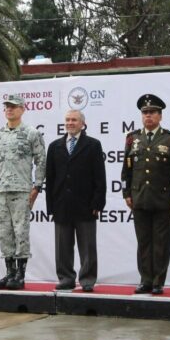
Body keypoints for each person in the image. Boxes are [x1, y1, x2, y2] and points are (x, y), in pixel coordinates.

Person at [121, 94, 170, 295]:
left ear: (160, 116)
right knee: (143, 242)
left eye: (152, 113)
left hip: (163, 199)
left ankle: (158, 281)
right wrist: (126, 192)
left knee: (161, 243)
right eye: (145, 113)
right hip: (139, 197)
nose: (148, 116)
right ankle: (145, 280)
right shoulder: (133, 138)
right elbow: (126, 169)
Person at [0, 94, 46, 290]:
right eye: (7, 107)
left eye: (14, 106)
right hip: (0, 191)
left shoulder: (31, 133)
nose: (9, 109)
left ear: (22, 109)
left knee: (21, 232)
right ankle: (9, 272)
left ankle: (20, 274)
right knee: (4, 233)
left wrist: (37, 186)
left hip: (21, 190)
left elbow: (41, 161)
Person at [45, 110, 107, 292]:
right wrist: (50, 206)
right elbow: (50, 178)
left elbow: (100, 177)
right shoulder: (54, 146)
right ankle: (66, 278)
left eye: (74, 120)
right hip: (61, 204)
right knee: (62, 247)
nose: (70, 123)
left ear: (82, 124)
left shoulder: (93, 145)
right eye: (67, 120)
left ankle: (87, 280)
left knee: (87, 246)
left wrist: (98, 203)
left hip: (85, 205)